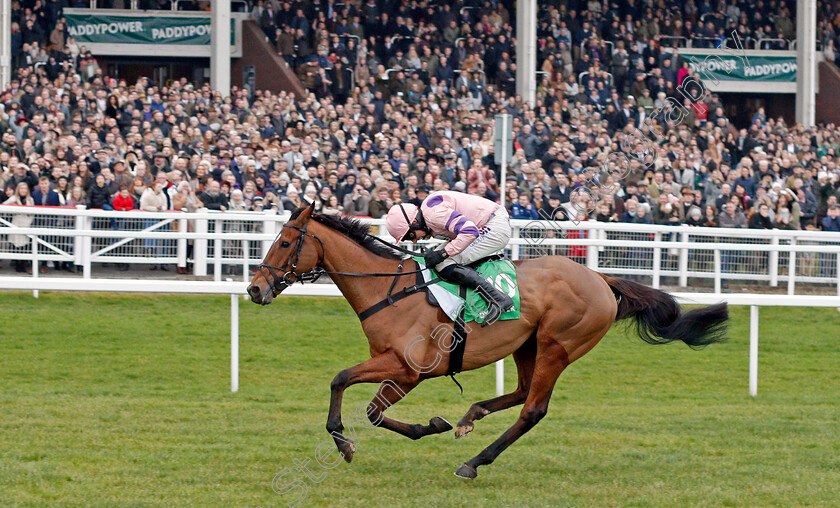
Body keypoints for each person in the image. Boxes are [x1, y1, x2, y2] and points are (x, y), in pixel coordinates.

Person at [385, 190, 514, 326]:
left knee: (445, 261)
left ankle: (499, 298)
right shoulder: (430, 213)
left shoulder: (434, 215)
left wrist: (443, 254)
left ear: (415, 222)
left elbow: (470, 231)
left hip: (493, 226)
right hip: (487, 222)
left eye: (410, 236)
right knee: (438, 259)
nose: (415, 241)